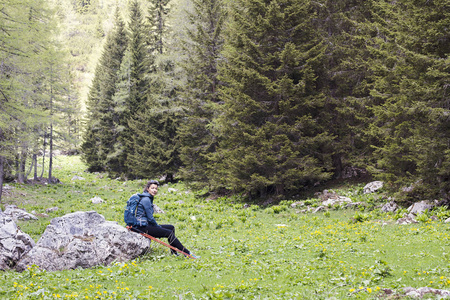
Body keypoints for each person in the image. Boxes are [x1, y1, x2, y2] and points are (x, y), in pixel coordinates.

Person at [132, 180, 198, 259]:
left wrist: (157, 226)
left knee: (171, 227)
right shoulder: (146, 200)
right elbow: (150, 218)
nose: (154, 190)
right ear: (147, 189)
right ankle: (187, 253)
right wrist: (157, 227)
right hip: (142, 227)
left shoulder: (147, 198)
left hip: (145, 224)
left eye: (156, 188)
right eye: (152, 188)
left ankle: (174, 252)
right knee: (169, 233)